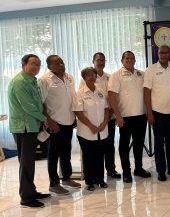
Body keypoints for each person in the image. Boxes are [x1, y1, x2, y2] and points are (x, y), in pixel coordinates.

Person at [8, 54, 50, 208]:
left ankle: (31, 191)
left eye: (38, 64)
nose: (36, 67)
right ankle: (26, 198)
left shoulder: (31, 81)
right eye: (33, 64)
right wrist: (44, 118)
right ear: (23, 64)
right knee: (26, 163)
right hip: (23, 128)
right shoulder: (19, 82)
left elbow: (37, 102)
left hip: (31, 126)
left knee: (30, 162)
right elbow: (28, 106)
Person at [39, 55, 81, 195]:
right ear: (49, 66)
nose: (61, 65)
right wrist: (49, 121)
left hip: (68, 121)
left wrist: (74, 116)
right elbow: (41, 103)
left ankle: (66, 178)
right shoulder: (45, 80)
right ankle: (54, 183)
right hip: (55, 123)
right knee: (53, 153)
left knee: (66, 151)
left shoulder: (69, 77)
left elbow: (72, 98)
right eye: (57, 63)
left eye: (62, 62)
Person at [108, 51, 151, 183]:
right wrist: (118, 116)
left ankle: (138, 168)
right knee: (124, 145)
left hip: (141, 115)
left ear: (135, 60)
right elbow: (111, 96)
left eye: (132, 58)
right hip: (125, 117)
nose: (130, 60)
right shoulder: (116, 75)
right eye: (127, 58)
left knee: (138, 144)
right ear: (122, 60)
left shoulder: (141, 74)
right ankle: (126, 171)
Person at [79, 52, 121, 179]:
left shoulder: (110, 77)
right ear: (93, 61)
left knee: (109, 146)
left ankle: (110, 170)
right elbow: (81, 98)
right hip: (92, 121)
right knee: (93, 149)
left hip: (108, 117)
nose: (100, 62)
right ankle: (92, 174)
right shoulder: (85, 79)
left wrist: (110, 114)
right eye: (98, 60)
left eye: (102, 60)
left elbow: (113, 97)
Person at [144, 45, 170, 182]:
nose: (164, 55)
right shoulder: (151, 70)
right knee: (159, 144)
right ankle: (161, 171)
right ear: (158, 54)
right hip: (157, 113)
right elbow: (146, 92)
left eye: (166, 53)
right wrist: (149, 113)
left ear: (169, 54)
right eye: (161, 53)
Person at [73, 67, 110, 191]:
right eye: (89, 75)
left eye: (94, 74)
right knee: (89, 157)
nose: (92, 76)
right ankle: (89, 181)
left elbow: (106, 108)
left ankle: (100, 179)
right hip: (86, 132)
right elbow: (78, 113)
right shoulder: (80, 93)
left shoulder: (100, 91)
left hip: (102, 131)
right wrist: (91, 126)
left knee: (100, 156)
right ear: (84, 77)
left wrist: (105, 122)